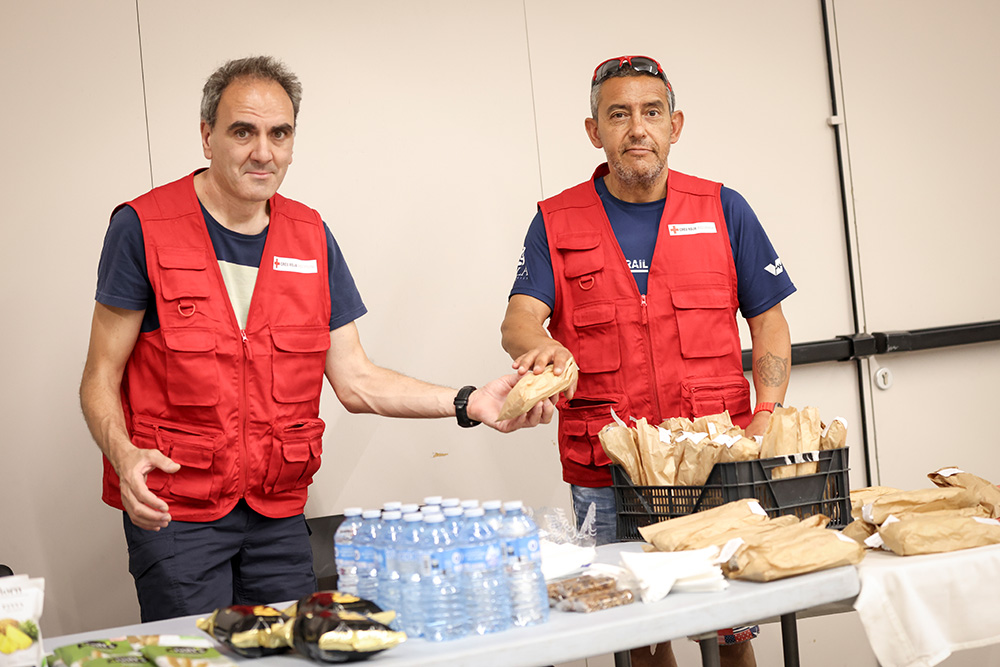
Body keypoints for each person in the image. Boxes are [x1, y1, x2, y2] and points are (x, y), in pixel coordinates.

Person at [80, 55, 553, 623]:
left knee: (295, 652)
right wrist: (123, 453)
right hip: (177, 513)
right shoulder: (143, 228)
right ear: (207, 137)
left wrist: (470, 401)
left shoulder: (309, 236)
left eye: (279, 134)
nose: (263, 152)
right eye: (243, 132)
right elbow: (100, 376)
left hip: (277, 516)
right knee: (201, 657)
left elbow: (356, 380)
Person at [501, 55, 795, 667]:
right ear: (595, 131)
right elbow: (519, 320)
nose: (637, 128)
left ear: (674, 125)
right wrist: (541, 343)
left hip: (715, 457)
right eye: (619, 115)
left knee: (730, 624)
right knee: (639, 630)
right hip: (607, 464)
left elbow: (768, 321)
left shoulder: (723, 208)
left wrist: (767, 413)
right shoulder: (556, 220)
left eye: (651, 112)